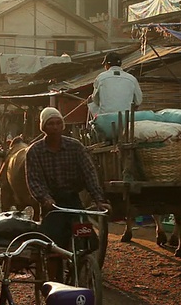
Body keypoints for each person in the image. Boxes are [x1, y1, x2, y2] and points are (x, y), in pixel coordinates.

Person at [26, 107, 111, 280]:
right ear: (43, 127)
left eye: (58, 123)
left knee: (87, 241)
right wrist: (45, 198)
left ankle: (79, 268)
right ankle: (54, 282)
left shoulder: (76, 147)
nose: (55, 127)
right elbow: (34, 181)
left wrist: (99, 199)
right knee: (52, 247)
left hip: (73, 201)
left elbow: (89, 174)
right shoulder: (34, 151)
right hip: (53, 205)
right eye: (51, 124)